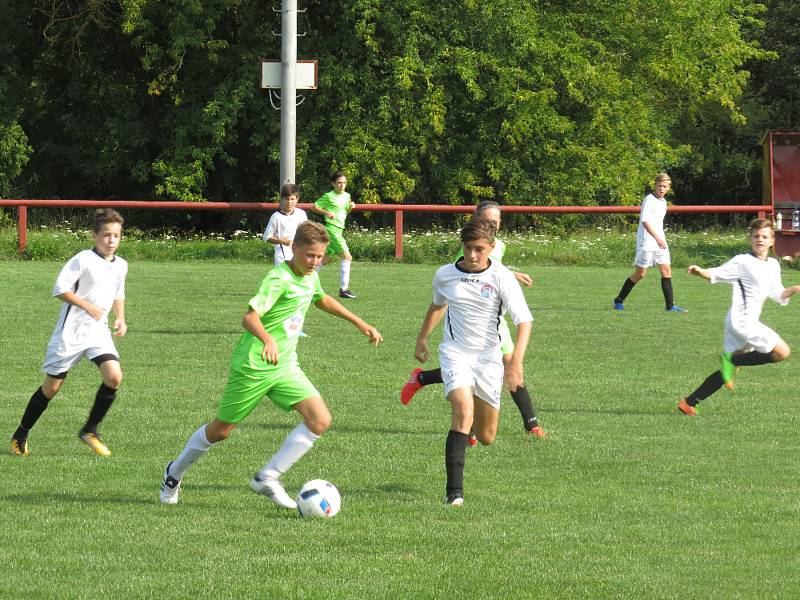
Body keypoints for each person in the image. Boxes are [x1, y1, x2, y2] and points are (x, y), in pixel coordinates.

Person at [160, 221, 382, 507]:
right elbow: (249, 317)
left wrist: (360, 323)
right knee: (221, 431)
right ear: (295, 248)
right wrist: (268, 339)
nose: (315, 262)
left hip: (285, 365)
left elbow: (321, 298)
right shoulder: (278, 278)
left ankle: (268, 476)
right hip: (254, 364)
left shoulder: (310, 276)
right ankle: (173, 473)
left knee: (320, 420)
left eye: (320, 256)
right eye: (310, 255)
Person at [411, 218, 533, 506]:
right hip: (455, 353)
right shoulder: (444, 275)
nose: (473, 255)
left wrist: (515, 362)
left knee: (488, 435)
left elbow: (524, 322)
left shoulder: (502, 277)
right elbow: (438, 305)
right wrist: (422, 339)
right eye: (468, 248)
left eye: (479, 249)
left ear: (492, 248)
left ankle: (474, 434)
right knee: (463, 413)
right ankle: (454, 494)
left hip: (489, 359)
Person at [401, 201, 545, 439]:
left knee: (509, 368)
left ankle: (426, 380)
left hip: (496, 322)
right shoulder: (466, 251)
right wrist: (423, 337)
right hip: (471, 325)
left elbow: (493, 269)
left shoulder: (499, 245)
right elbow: (456, 285)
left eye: (495, 220)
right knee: (507, 368)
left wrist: (512, 275)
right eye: (486, 219)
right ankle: (529, 424)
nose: (491, 223)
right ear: (477, 218)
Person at [10, 209, 128, 457]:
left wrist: (120, 318)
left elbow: (118, 293)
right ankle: (21, 432)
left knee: (114, 377)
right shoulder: (83, 259)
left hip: (98, 333)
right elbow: (59, 289)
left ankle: (90, 430)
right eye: (106, 235)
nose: (111, 241)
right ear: (95, 235)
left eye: (116, 235)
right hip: (70, 334)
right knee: (51, 389)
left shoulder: (121, 265)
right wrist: (86, 305)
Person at [677, 219, 800, 416]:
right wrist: (700, 272)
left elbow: (778, 293)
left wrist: (794, 289)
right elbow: (717, 273)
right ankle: (732, 359)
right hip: (742, 322)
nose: (760, 239)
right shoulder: (742, 261)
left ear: (772, 240)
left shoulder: (773, 265)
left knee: (731, 370)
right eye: (756, 236)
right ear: (750, 238)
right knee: (782, 352)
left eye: (764, 236)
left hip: (741, 322)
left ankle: (689, 402)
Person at [613, 173, 686, 312]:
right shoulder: (649, 200)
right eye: (660, 186)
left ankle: (670, 307)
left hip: (660, 242)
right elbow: (645, 222)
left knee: (666, 270)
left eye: (665, 186)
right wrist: (657, 238)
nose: (662, 189)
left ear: (669, 188)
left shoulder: (663, 202)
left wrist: (660, 239)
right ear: (655, 186)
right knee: (640, 274)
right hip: (647, 241)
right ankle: (618, 300)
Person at [309, 170, 357, 299]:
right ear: (333, 184)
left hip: (339, 228)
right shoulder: (328, 196)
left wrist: (350, 207)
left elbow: (344, 212)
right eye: (339, 183)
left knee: (323, 259)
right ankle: (344, 289)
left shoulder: (347, 196)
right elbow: (314, 207)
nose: (342, 185)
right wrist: (326, 212)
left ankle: (306, 282)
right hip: (332, 229)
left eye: (344, 183)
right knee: (347, 257)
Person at [263, 183, 308, 266]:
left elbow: (306, 233)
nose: (290, 202)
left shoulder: (301, 214)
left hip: (299, 255)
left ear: (297, 199)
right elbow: (266, 237)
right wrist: (282, 241)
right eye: (287, 199)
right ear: (282, 199)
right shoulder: (276, 216)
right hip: (282, 258)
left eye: (292, 199)